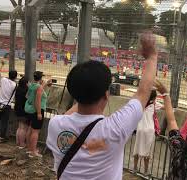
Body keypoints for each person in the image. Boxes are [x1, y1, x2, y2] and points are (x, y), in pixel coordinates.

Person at [46, 31, 158, 180]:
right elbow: (143, 93)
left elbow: (141, 94)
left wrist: (84, 87)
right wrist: (152, 56)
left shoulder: (55, 124)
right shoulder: (115, 128)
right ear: (106, 94)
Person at [25, 71, 52, 158]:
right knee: (35, 132)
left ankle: (30, 149)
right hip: (37, 111)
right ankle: (33, 152)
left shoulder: (32, 85)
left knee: (30, 129)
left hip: (30, 110)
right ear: (41, 78)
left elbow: (27, 96)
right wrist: (39, 113)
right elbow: (38, 100)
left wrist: (43, 86)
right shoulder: (39, 87)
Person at [133, 90, 157, 175]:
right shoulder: (154, 105)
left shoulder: (141, 104)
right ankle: (146, 171)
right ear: (154, 98)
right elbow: (169, 108)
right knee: (147, 152)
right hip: (150, 130)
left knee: (137, 148)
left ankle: (135, 169)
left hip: (140, 129)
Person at [0, 70, 18, 143]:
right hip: (7, 105)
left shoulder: (3, 79)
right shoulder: (15, 85)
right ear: (15, 77)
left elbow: (2, 78)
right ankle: (2, 138)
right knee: (4, 122)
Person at [14, 77, 29, 149]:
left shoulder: (18, 88)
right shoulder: (26, 90)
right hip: (23, 110)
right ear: (26, 83)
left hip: (17, 109)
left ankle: (18, 142)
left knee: (20, 127)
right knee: (23, 128)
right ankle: (22, 143)